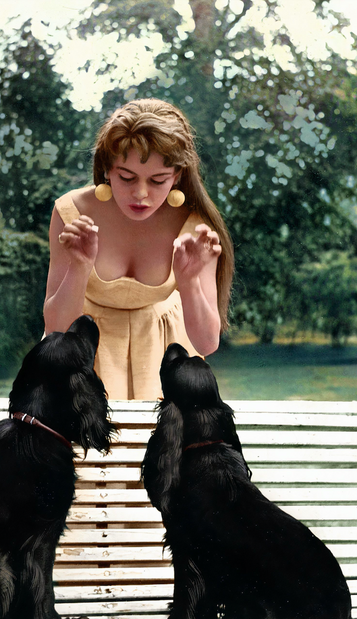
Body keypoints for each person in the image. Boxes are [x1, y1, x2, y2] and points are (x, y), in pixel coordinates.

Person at [43, 98, 234, 400]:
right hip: (82, 368)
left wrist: (189, 280)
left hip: (163, 368)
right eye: (126, 177)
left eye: (158, 180)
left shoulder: (194, 226)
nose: (141, 194)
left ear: (179, 176)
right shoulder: (70, 213)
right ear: (106, 169)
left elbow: (207, 342)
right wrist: (80, 266)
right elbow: (55, 331)